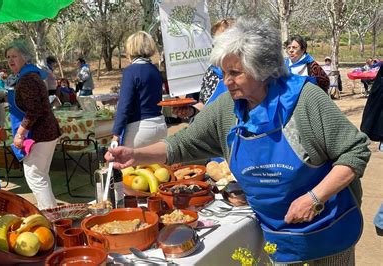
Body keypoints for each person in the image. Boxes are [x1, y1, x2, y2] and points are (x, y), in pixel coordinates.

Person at [106, 18, 370, 265]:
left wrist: (314, 198)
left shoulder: (306, 100)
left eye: (235, 72)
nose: (226, 81)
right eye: (223, 72)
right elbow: (182, 144)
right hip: (277, 236)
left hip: (328, 232)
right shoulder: (226, 108)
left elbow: (355, 151)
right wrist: (135, 155)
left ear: (263, 69)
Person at [5, 40, 60, 210]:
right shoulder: (30, 75)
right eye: (8, 57)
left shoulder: (27, 78)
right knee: (40, 175)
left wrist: (20, 132)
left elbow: (34, 109)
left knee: (35, 176)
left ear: (25, 57)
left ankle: (50, 217)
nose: (10, 60)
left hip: (39, 134)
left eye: (14, 56)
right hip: (45, 132)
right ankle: (54, 214)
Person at [111, 31, 167, 148]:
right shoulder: (155, 70)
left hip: (140, 129)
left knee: (133, 166)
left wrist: (116, 134)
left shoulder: (131, 71)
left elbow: (124, 106)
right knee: (157, 166)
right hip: (160, 125)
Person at [173, 18, 234, 119]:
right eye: (216, 42)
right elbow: (204, 104)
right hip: (216, 130)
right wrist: (191, 111)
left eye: (223, 41)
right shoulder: (212, 72)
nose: (218, 46)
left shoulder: (250, 72)